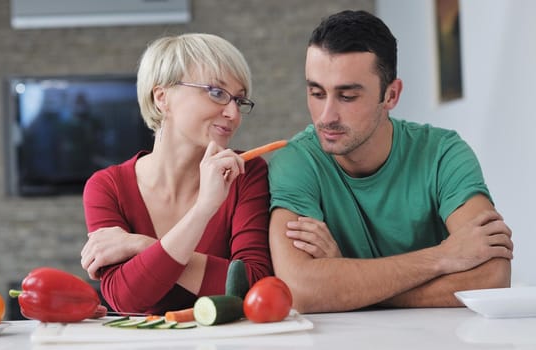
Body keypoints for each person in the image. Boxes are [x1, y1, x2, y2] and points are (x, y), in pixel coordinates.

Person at [267, 10, 513, 314]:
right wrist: (442, 257)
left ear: (391, 95)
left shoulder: (444, 153)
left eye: (347, 97)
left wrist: (345, 281)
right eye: (317, 93)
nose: (326, 116)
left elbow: (491, 278)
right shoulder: (296, 162)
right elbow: (301, 289)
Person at [80, 33, 272, 314]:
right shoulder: (107, 187)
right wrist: (202, 213)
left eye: (239, 100)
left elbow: (252, 286)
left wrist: (140, 246)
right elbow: (125, 298)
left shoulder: (245, 171)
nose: (233, 113)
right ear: (162, 97)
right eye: (217, 92)